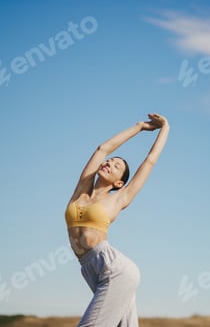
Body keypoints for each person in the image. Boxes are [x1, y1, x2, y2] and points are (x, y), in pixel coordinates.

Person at [65, 113, 169, 327]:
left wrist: (165, 128)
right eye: (110, 161)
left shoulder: (119, 198)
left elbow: (149, 162)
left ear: (119, 184)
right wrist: (139, 127)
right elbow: (102, 149)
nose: (109, 163)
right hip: (89, 268)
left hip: (113, 267)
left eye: (116, 166)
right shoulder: (81, 192)